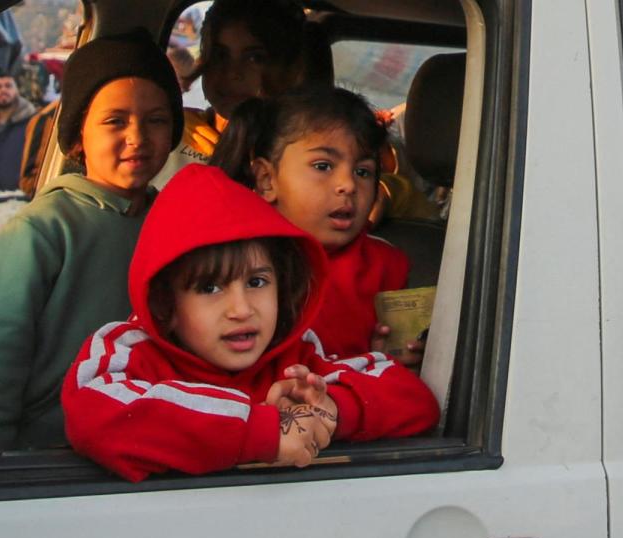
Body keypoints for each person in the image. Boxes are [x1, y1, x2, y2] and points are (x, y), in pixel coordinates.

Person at [62, 164, 439, 482]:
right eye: (210, 287)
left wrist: (328, 410)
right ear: (165, 305)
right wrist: (264, 431)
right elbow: (92, 414)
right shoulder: (128, 352)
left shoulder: (296, 355)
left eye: (257, 282)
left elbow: (413, 399)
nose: (242, 309)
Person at [0, 29, 183, 450]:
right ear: (79, 135)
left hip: (146, 443)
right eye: (115, 121)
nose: (137, 137)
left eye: (156, 120)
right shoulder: (42, 229)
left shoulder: (176, 223)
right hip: (52, 455)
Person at [212, 87, 424, 364]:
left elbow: (401, 367)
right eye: (323, 166)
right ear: (266, 179)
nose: (348, 185)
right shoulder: (230, 258)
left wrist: (383, 362)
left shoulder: (386, 267)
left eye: (363, 172)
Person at [151, 0, 307, 188]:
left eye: (254, 58)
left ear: (291, 72)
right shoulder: (173, 135)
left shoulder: (298, 158)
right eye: (220, 55)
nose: (232, 73)